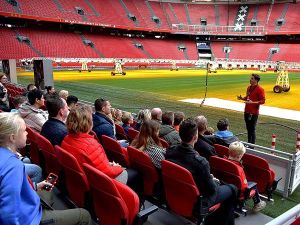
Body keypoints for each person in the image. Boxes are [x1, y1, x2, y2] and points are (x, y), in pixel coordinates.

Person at [0, 112, 92, 225]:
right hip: (31, 219)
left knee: (48, 188)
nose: (27, 133)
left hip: (27, 205)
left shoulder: (6, 158)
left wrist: (35, 186)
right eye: (24, 130)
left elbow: (10, 190)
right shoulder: (12, 166)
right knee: (84, 215)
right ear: (12, 137)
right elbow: (8, 213)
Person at [166, 118, 237, 225]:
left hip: (177, 192)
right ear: (195, 137)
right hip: (198, 201)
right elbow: (211, 190)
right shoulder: (200, 162)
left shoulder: (170, 150)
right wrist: (214, 180)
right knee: (232, 188)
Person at [62, 105, 127, 183]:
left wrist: (108, 164)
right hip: (98, 183)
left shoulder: (66, 139)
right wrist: (118, 167)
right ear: (88, 123)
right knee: (130, 173)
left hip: (81, 180)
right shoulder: (91, 145)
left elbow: (93, 163)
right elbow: (109, 172)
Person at [228, 141, 266, 212]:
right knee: (253, 184)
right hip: (239, 193)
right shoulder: (238, 168)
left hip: (227, 187)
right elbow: (244, 187)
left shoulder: (223, 161)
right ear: (239, 156)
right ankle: (258, 203)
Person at [237, 74, 265, 144]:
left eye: (252, 78)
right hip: (246, 111)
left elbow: (263, 101)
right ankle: (249, 143)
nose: (250, 80)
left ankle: (252, 146)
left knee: (252, 129)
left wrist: (253, 103)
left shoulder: (260, 89)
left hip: (253, 113)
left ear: (256, 80)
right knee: (248, 129)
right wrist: (242, 98)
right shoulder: (249, 87)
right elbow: (247, 97)